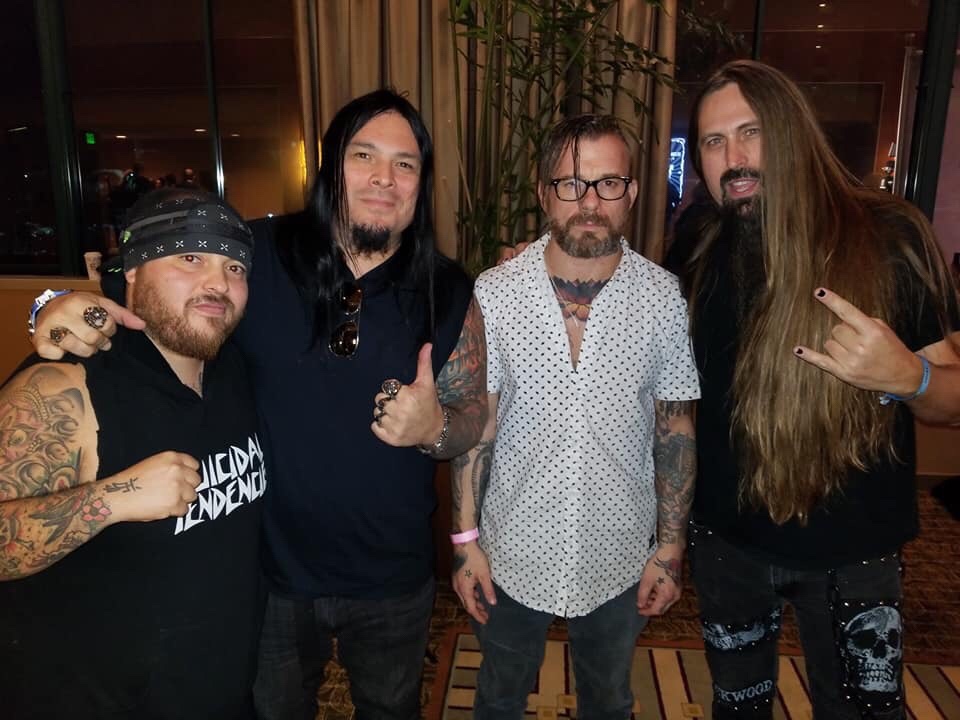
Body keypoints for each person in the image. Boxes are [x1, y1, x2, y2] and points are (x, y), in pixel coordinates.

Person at [26, 89, 487, 720]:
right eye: (364, 155)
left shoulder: (449, 288)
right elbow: (138, 292)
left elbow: (472, 416)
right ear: (331, 167)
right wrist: (49, 304)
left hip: (392, 578)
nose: (384, 177)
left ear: (421, 183)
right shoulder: (254, 255)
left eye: (404, 163)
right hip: (268, 575)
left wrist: (435, 428)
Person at [672, 60, 960, 719]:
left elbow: (953, 401)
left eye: (751, 132)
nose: (734, 159)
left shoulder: (888, 235)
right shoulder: (699, 240)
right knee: (736, 708)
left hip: (855, 551)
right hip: (727, 541)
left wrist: (909, 377)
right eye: (714, 141)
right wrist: (543, 272)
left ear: (792, 131)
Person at [451, 115, 700, 718]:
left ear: (631, 193)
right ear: (544, 193)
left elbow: (675, 428)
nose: (589, 203)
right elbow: (478, 428)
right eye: (571, 184)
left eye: (608, 183)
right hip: (510, 550)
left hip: (620, 553)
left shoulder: (664, 297)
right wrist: (464, 542)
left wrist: (670, 548)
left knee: (608, 701)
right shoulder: (495, 292)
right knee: (498, 698)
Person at [0, 187, 264, 719]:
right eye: (190, 258)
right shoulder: (65, 383)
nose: (218, 283)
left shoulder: (232, 366)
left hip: (218, 692)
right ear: (135, 271)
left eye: (234, 267)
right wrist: (114, 498)